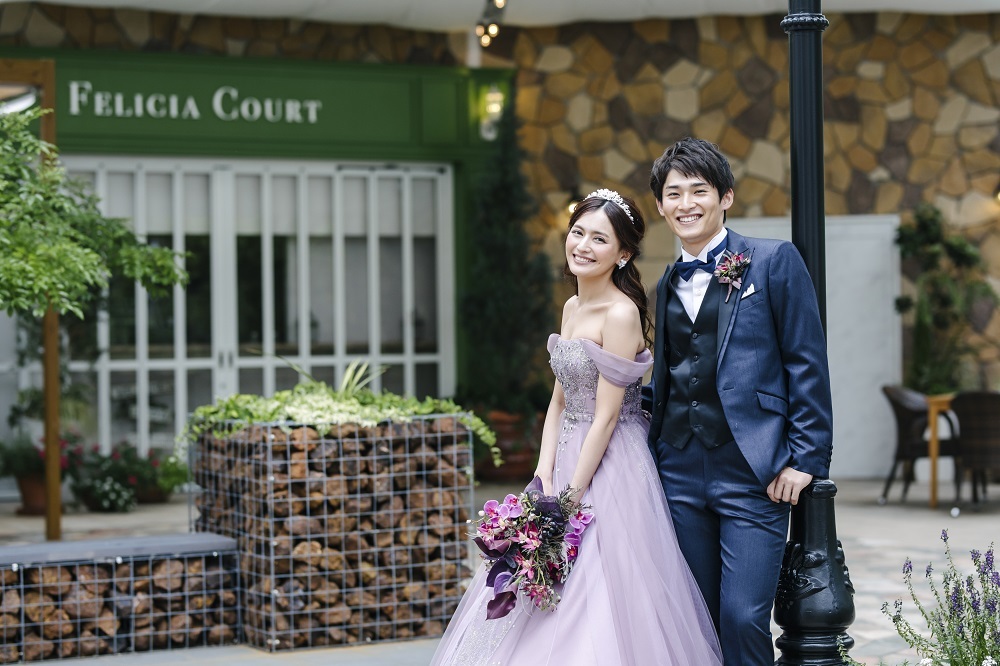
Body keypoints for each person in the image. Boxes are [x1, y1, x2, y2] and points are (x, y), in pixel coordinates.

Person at [431, 189, 723, 665]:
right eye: (578, 233)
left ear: (622, 254)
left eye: (599, 239)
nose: (583, 245)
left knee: (601, 580)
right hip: (566, 451)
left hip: (611, 460)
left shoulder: (621, 313)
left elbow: (606, 416)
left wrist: (570, 496)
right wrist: (543, 474)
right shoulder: (571, 307)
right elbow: (558, 400)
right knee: (540, 573)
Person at [645, 137, 834, 664]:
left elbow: (806, 363)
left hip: (753, 471)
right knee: (696, 618)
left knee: (742, 616)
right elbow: (672, 376)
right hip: (679, 470)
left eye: (699, 191)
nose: (686, 204)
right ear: (660, 206)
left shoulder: (773, 261)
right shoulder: (665, 283)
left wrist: (805, 459)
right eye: (673, 193)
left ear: (725, 196)